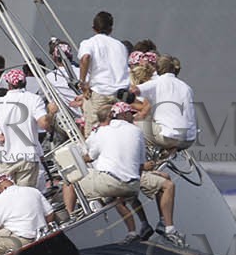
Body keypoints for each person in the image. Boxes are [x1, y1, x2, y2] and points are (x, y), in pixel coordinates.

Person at [72, 103, 179, 240]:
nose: (133, 116)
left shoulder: (100, 133)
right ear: (121, 115)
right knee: (160, 185)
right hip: (122, 177)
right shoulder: (125, 131)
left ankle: (142, 227)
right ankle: (163, 226)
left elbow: (91, 157)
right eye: (130, 113)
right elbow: (138, 165)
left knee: (125, 192)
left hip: (114, 177)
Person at [0, 68, 55, 189]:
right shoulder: (33, 99)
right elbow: (44, 124)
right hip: (27, 156)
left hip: (5, 158)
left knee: (9, 196)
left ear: (8, 85)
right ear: (24, 81)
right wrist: (51, 113)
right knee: (25, 194)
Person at [0, 173, 54, 255]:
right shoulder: (32, 190)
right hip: (43, 234)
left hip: (23, 240)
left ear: (0, 188)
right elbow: (50, 213)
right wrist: (45, 228)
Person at [77, 11, 130, 136]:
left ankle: (93, 152)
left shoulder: (89, 43)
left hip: (101, 92)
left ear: (93, 28)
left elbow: (85, 58)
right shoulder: (120, 46)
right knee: (118, 130)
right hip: (120, 94)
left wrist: (83, 82)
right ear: (111, 29)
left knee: (94, 129)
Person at [134, 54, 198, 154]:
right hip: (189, 139)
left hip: (170, 137)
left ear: (158, 68)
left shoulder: (157, 82)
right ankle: (166, 152)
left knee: (133, 126)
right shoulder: (186, 87)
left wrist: (121, 94)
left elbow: (135, 90)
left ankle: (146, 160)